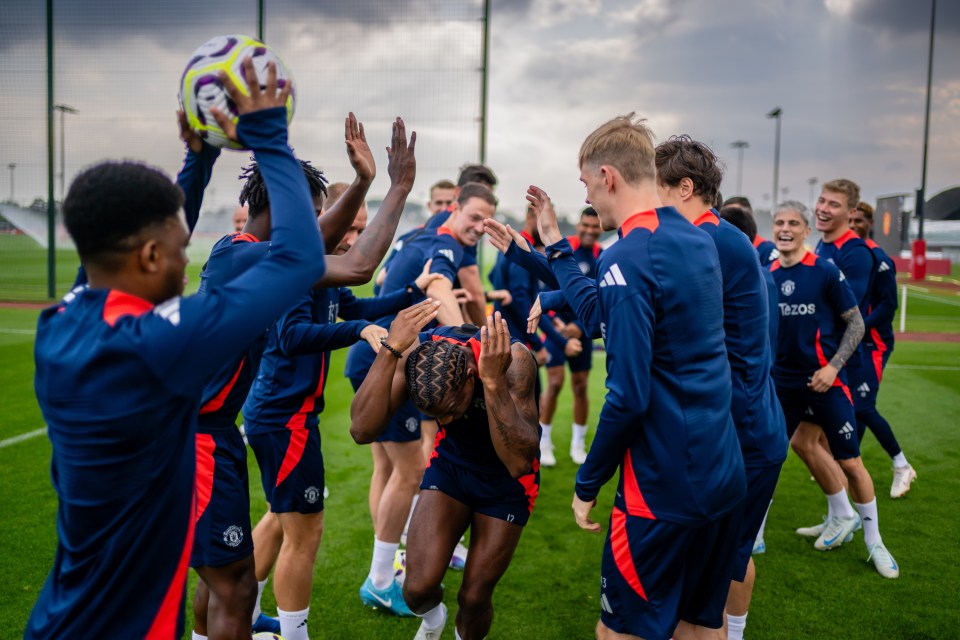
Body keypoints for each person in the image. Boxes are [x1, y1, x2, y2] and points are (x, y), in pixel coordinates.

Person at [25, 58, 327, 639]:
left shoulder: (60, 321)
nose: (187, 254)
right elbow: (301, 259)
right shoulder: (160, 344)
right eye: (177, 245)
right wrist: (269, 139)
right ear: (148, 258)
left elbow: (148, 233)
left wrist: (201, 157)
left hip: (63, 619)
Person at [532, 113, 747, 640]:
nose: (589, 200)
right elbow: (614, 314)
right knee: (702, 625)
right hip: (722, 471)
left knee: (619, 631)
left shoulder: (626, 254)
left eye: (586, 184)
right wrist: (556, 248)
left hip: (661, 485)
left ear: (609, 176)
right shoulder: (699, 237)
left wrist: (588, 482)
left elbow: (627, 395)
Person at [189, 111, 382, 640]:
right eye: (312, 212)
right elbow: (357, 266)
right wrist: (387, 185)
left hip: (218, 431)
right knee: (234, 585)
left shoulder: (253, 255)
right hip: (199, 437)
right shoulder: (244, 257)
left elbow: (332, 254)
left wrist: (367, 181)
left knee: (223, 574)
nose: (322, 225)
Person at [240, 118, 420, 640]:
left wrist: (406, 299)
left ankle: (249, 616)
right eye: (344, 223)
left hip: (285, 412)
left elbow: (353, 300)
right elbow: (293, 335)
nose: (350, 234)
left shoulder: (316, 265)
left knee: (281, 517)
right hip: (283, 415)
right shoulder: (290, 262)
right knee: (306, 530)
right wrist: (361, 330)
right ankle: (292, 634)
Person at [654, 136, 787, 640]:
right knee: (727, 559)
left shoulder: (708, 242)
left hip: (741, 438)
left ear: (685, 188)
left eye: (657, 190)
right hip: (746, 430)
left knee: (706, 579)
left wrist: (554, 267)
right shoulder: (723, 241)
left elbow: (638, 307)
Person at [345, 182, 498, 613]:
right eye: (473, 217)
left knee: (389, 467)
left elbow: (383, 280)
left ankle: (393, 556)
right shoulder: (444, 244)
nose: (478, 227)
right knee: (411, 469)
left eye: (485, 221)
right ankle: (379, 578)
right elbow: (438, 290)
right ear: (454, 210)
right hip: (388, 359)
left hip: (375, 354)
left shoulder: (423, 236)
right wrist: (473, 342)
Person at [350, 306, 541, 640]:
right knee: (416, 589)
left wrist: (493, 383)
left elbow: (518, 462)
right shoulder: (422, 353)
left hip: (506, 482)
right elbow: (361, 430)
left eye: (451, 411)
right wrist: (391, 351)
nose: (448, 421)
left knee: (474, 597)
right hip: (451, 467)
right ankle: (434, 622)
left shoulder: (512, 359)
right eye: (439, 416)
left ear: (470, 376)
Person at [769, 201, 899, 578]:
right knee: (772, 455)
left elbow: (856, 324)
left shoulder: (824, 271)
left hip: (827, 382)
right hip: (783, 385)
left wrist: (832, 366)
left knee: (850, 461)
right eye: (779, 222)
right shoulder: (768, 274)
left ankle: (875, 541)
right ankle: (756, 533)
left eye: (793, 222)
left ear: (806, 230)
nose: (785, 229)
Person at [848, 201, 916, 497]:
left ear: (870, 223)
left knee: (863, 406)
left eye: (859, 219)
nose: (853, 224)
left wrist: (858, 326)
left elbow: (889, 306)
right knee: (854, 406)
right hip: (851, 341)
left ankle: (902, 465)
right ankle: (851, 461)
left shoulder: (879, 258)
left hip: (873, 344)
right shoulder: (843, 255)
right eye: (849, 218)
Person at [537, 206, 602, 466]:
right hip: (556, 331)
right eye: (585, 225)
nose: (589, 230)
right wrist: (561, 329)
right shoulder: (565, 251)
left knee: (580, 386)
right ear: (578, 224)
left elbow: (601, 297)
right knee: (553, 384)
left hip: (582, 330)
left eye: (594, 226)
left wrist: (578, 327)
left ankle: (578, 444)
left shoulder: (602, 256)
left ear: (600, 228)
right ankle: (544, 443)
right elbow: (545, 289)